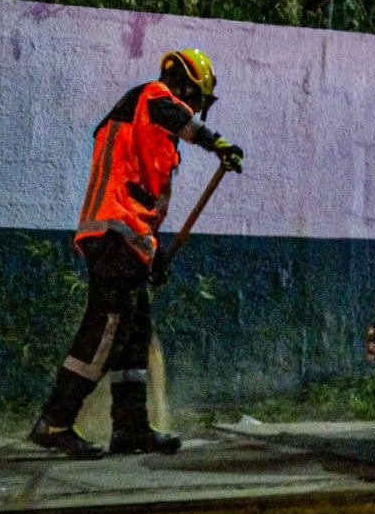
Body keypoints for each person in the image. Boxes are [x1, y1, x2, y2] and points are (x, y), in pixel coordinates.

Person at [28, 48, 244, 459]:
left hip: (129, 240)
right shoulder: (151, 98)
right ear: (184, 87)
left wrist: (155, 254)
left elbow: (146, 204)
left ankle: (130, 429)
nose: (196, 108)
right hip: (110, 230)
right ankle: (54, 420)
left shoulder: (155, 139)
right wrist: (216, 142)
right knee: (109, 324)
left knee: (133, 332)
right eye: (196, 99)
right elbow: (174, 117)